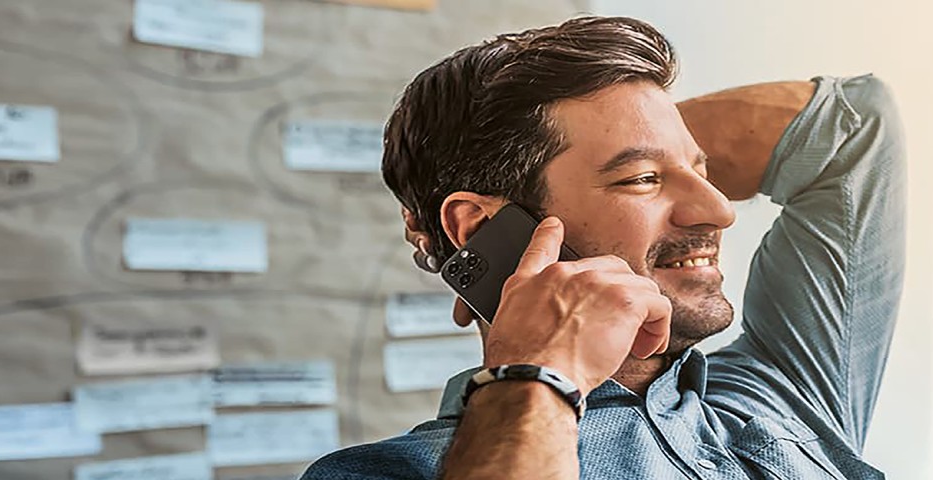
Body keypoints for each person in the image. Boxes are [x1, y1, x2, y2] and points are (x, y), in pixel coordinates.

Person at [302, 15, 902, 479]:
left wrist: (644, 143)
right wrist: (536, 373)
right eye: (641, 179)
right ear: (480, 228)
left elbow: (851, 126)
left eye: (703, 169)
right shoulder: (377, 472)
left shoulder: (781, 390)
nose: (720, 210)